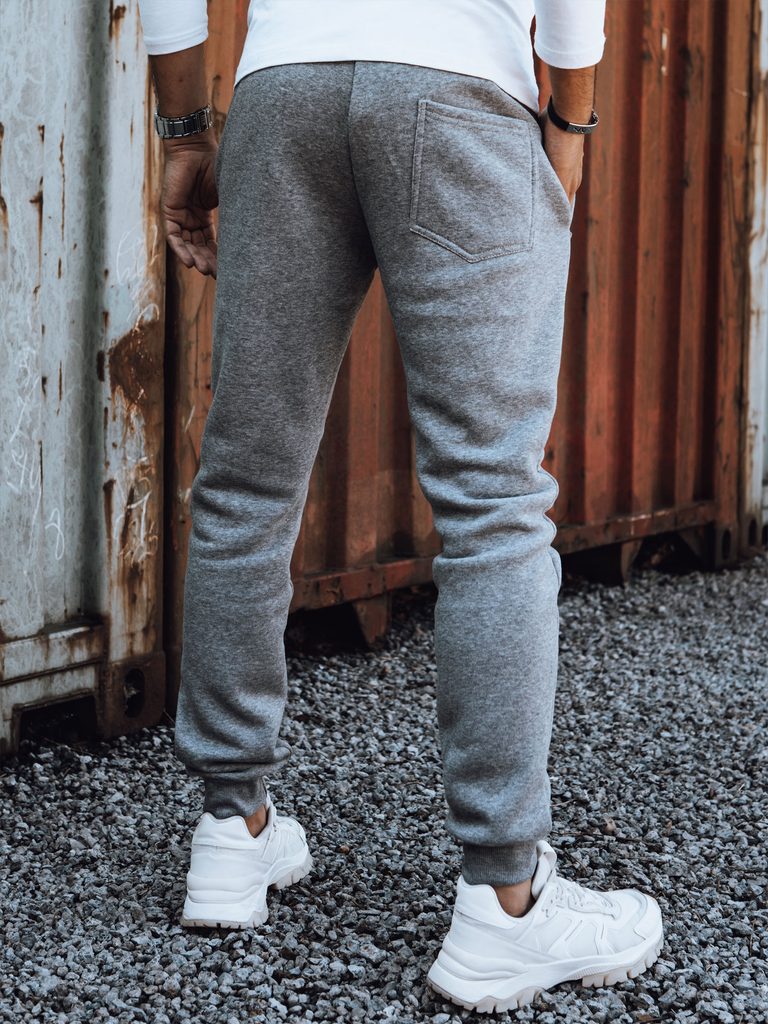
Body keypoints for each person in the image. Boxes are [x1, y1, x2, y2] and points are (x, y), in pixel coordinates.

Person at [138, 0, 664, 1012]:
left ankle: (230, 829)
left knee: (245, 480)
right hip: (459, 87)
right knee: (492, 500)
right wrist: (572, 117)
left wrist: (185, 133)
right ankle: (504, 902)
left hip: (284, 90)